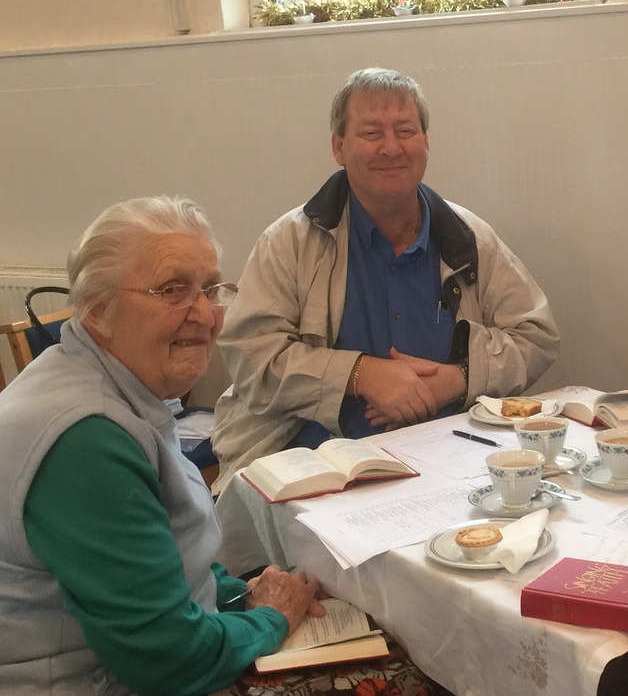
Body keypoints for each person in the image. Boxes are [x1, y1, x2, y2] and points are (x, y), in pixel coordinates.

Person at [0, 196, 323, 695]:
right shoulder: (85, 440)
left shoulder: (101, 377)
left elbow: (160, 551)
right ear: (97, 310)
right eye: (173, 290)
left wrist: (240, 594)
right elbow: (168, 659)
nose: (204, 314)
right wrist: (271, 617)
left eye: (211, 289)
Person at [211, 68, 558, 488]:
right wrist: (361, 375)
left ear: (426, 143)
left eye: (405, 130)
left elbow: (536, 335)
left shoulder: (468, 238)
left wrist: (458, 379)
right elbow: (252, 358)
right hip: (311, 468)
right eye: (371, 133)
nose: (391, 148)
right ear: (339, 147)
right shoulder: (288, 242)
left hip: (450, 462)